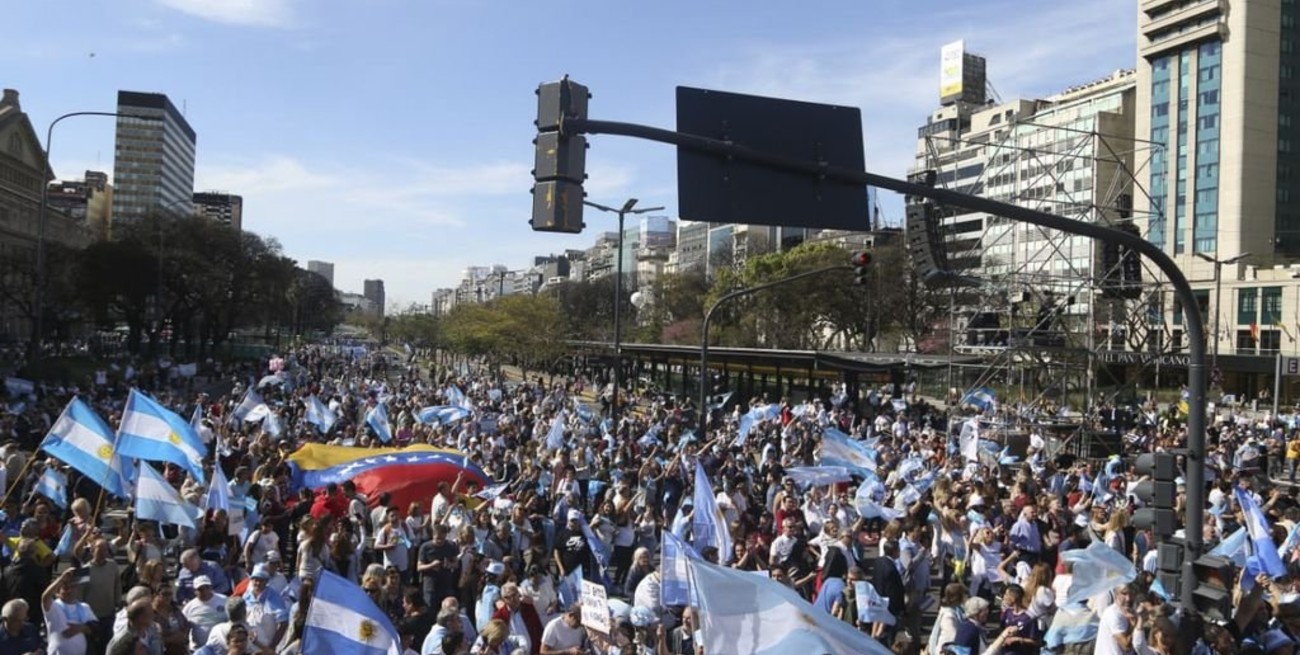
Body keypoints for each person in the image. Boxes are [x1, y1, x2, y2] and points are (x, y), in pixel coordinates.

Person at [43, 569, 95, 655]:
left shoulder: (84, 607)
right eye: (65, 588)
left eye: (73, 587)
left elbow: (96, 629)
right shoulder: (54, 607)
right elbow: (45, 597)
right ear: (57, 593)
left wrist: (82, 628)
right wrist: (61, 579)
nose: (70, 591)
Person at [489, 583, 542, 655]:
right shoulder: (499, 617)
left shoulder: (528, 608)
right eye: (508, 597)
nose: (512, 599)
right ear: (504, 599)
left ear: (518, 594)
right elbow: (495, 640)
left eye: (514, 595)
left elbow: (539, 630)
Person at [182, 576, 228, 651]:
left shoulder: (224, 600)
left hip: (221, 648)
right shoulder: (189, 607)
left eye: (207, 587)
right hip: (200, 649)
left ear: (211, 587)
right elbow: (184, 627)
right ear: (195, 591)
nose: (205, 591)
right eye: (200, 589)